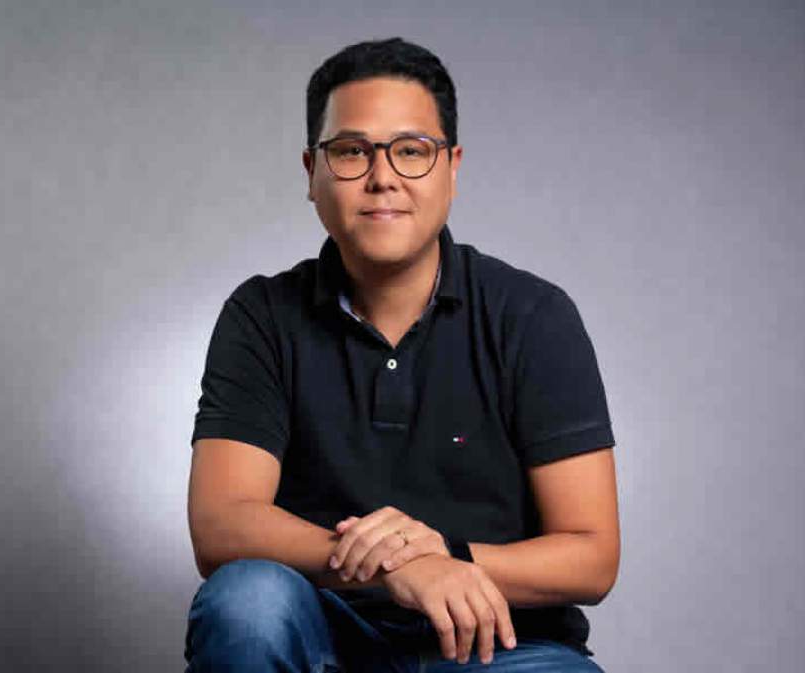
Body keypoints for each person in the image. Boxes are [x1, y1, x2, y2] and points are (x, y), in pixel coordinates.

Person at [184, 37, 619, 672]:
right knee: (247, 603)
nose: (382, 176)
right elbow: (222, 525)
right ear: (311, 171)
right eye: (351, 151)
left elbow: (592, 557)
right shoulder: (263, 315)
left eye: (411, 150)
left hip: (498, 649)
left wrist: (447, 558)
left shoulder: (533, 316)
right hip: (325, 633)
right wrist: (396, 567)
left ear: (452, 168)